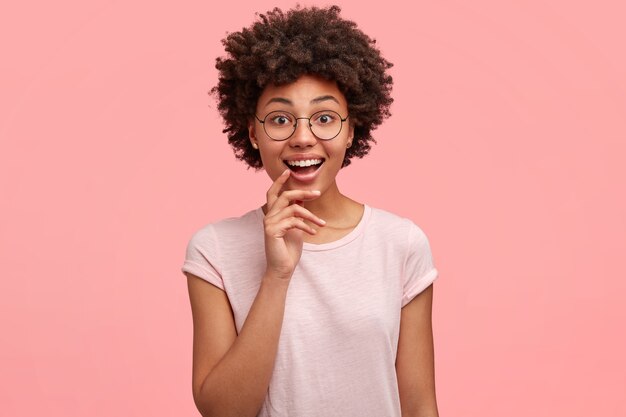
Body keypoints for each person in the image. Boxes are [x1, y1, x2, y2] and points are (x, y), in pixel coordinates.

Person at [181, 5, 440, 417]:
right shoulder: (214, 250)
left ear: (352, 128)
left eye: (324, 118)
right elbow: (222, 412)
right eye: (281, 119)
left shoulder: (401, 244)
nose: (303, 138)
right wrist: (277, 275)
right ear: (252, 131)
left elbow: (420, 406)